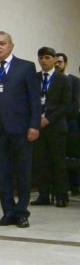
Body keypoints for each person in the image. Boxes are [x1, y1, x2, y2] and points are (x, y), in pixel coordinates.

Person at [0, 31, 41, 228]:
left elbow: (34, 99)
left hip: (21, 129)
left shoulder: (26, 67)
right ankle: (8, 212)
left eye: (2, 43)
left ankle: (22, 213)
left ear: (11, 45)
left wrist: (34, 125)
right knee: (2, 172)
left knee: (23, 172)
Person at [32, 47, 72, 207]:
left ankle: (61, 195)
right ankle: (43, 195)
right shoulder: (34, 78)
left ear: (54, 59)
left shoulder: (63, 79)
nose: (44, 60)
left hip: (56, 127)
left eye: (47, 57)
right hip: (37, 126)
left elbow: (65, 104)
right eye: (41, 57)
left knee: (58, 162)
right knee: (41, 162)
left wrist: (48, 119)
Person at [55, 52, 80, 195]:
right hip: (54, 126)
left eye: (60, 62)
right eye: (56, 62)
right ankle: (59, 187)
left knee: (72, 156)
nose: (57, 64)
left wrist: (58, 116)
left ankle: (75, 186)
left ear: (65, 63)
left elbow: (75, 104)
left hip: (69, 124)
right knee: (57, 158)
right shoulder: (51, 80)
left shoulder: (74, 80)